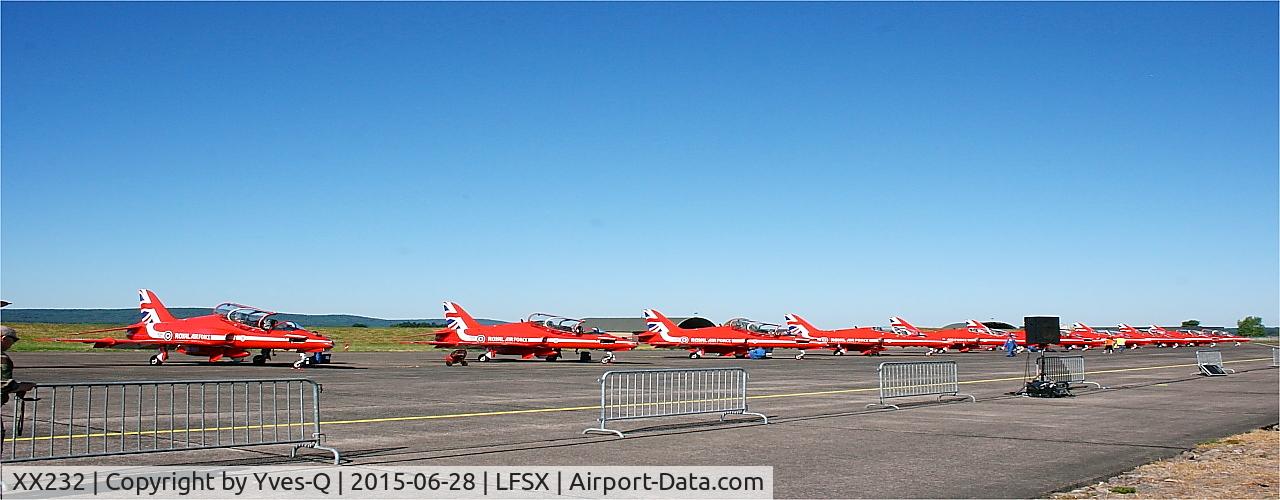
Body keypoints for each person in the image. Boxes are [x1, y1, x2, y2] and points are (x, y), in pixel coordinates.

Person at [2, 326, 37, 406]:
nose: (12, 344)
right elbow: (3, 384)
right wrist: (21, 387)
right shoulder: (2, 358)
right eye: (13, 340)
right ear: (4, 338)